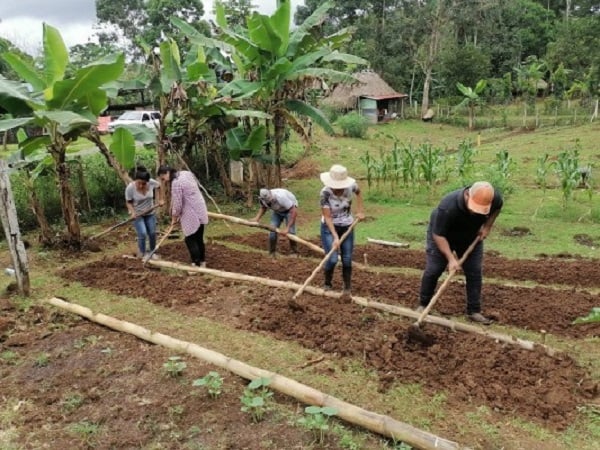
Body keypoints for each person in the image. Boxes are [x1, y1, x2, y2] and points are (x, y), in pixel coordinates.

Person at [417, 181, 503, 325]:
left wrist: (487, 226)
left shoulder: (494, 199)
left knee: (474, 271)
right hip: (444, 236)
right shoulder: (448, 206)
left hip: (470, 237)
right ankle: (423, 304)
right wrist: (451, 259)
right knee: (434, 269)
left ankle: (474, 311)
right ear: (467, 194)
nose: (475, 212)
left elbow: (497, 208)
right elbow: (438, 235)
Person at [319, 164, 365, 296]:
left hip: (347, 226)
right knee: (332, 259)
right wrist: (335, 237)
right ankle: (327, 283)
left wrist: (360, 210)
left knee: (347, 258)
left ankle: (347, 287)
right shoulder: (325, 193)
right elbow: (327, 217)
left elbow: (359, 192)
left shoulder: (351, 186)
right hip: (329, 228)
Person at [157, 165, 208, 267]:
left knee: (190, 239)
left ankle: (196, 263)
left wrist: (174, 218)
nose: (165, 181)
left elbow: (178, 204)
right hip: (200, 208)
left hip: (191, 213)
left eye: (163, 178)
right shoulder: (186, 173)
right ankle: (202, 262)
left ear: (166, 173)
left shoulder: (176, 183)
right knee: (198, 238)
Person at [125, 167, 162, 259]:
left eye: (144, 184)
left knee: (152, 233)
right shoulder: (130, 188)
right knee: (142, 233)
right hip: (138, 214)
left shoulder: (151, 182)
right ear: (135, 181)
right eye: (139, 183)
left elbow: (159, 186)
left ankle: (152, 252)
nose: (141, 186)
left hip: (150, 212)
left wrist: (161, 199)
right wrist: (133, 213)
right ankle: (142, 253)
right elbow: (128, 202)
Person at [252, 188, 299, 257]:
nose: (269, 201)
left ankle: (294, 252)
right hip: (277, 211)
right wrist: (257, 218)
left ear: (271, 194)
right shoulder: (262, 200)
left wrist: (287, 228)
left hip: (289, 211)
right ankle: (272, 253)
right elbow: (263, 207)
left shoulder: (281, 197)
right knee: (272, 231)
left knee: (291, 232)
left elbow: (294, 212)